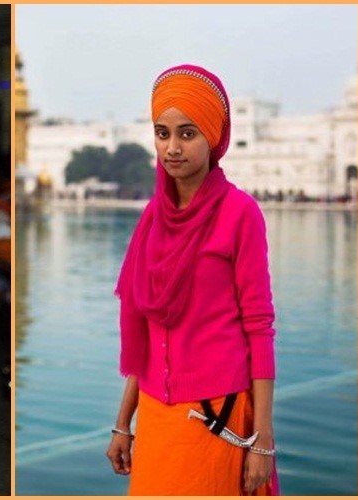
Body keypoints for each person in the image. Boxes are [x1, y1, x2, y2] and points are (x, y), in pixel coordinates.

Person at [106, 64, 278, 495]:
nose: (173, 148)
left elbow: (259, 328)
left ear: (213, 138)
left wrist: (263, 442)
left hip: (215, 415)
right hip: (156, 415)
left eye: (187, 133)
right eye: (163, 134)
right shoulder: (152, 219)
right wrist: (123, 423)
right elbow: (147, 331)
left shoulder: (240, 214)